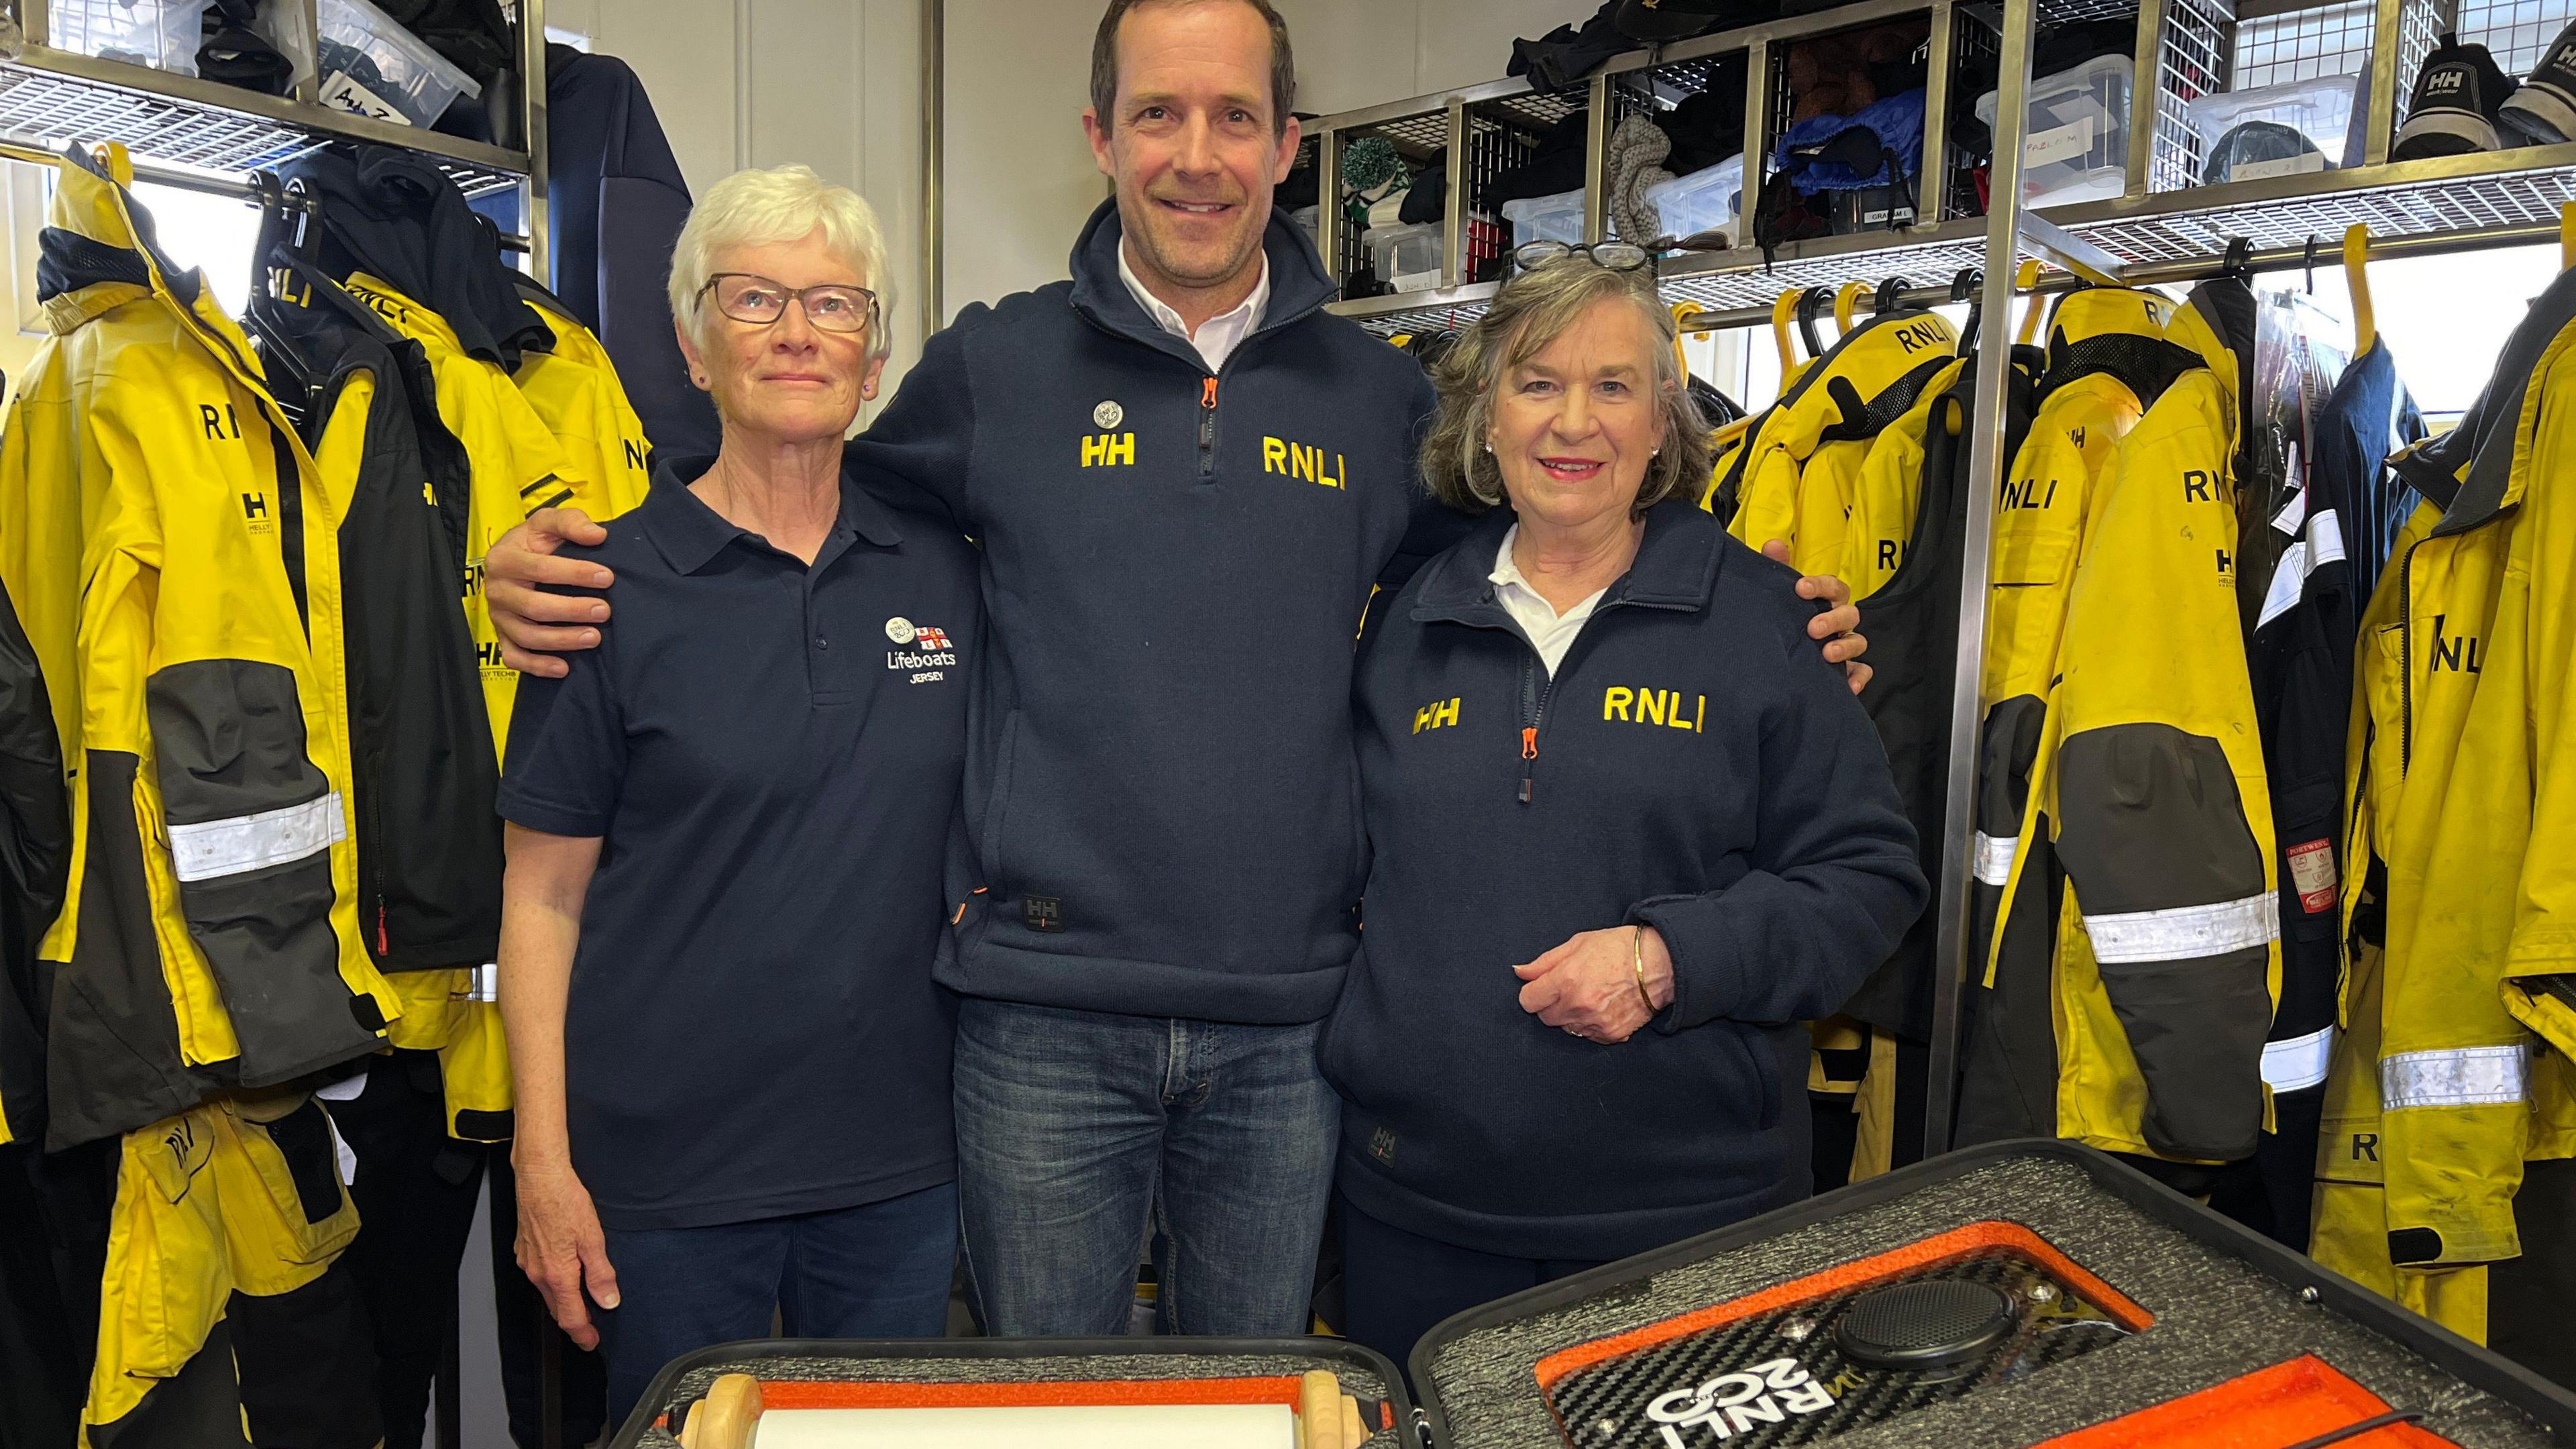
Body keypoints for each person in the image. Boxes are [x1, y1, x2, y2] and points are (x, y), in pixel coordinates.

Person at [480, 0, 1870, 1338]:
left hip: (1292, 1027)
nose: (1194, 155)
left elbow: (1559, 515)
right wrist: (570, 552)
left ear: (1286, 144)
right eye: (1157, 114)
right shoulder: (996, 369)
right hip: (1038, 1022)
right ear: (1100, 134)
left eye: (1232, 117)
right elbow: (800, 478)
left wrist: (1746, 606)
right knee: (1055, 1408)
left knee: (1252, 1395)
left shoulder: (1378, 398)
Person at [1319, 258, 1928, 1366]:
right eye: (1538, 383)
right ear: (1485, 420)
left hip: (1689, 1226)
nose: (1574, 422)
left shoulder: (1764, 623)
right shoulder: (1403, 624)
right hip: (1419, 1220)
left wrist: (1669, 958)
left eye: (1614, 387)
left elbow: (1867, 879)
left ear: (1662, 424)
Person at [495, 165, 975, 1419]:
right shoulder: (602, 587)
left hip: (898, 1168)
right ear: (694, 347)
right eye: (755, 298)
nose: (798, 332)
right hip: (661, 1179)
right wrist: (539, 1162)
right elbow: (540, 898)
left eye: (835, 304)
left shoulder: (946, 564)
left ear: (875, 361)